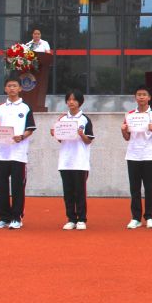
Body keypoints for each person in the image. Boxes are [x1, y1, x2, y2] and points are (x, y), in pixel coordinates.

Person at [0, 77, 36, 230]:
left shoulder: (25, 108)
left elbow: (30, 128)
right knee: (1, 187)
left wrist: (22, 137)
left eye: (14, 86)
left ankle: (16, 218)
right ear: (5, 89)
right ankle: (3, 218)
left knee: (17, 187)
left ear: (20, 88)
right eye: (9, 86)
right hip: (0, 153)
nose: (12, 88)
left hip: (18, 154)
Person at [121, 85, 152, 229]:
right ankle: (136, 218)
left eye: (144, 94)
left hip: (149, 155)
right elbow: (127, 137)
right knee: (135, 188)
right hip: (133, 155)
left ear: (149, 97)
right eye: (139, 94)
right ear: (135, 97)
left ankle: (149, 217)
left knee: (149, 188)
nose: (141, 97)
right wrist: (123, 130)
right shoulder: (130, 115)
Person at [51, 90, 94, 230]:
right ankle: (71, 219)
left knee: (80, 192)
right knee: (68, 192)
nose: (71, 102)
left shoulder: (85, 119)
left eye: (74, 100)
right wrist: (55, 134)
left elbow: (89, 141)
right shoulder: (62, 119)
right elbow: (60, 140)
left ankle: (81, 219)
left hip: (80, 161)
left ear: (80, 102)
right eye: (69, 99)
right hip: (65, 161)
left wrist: (81, 135)